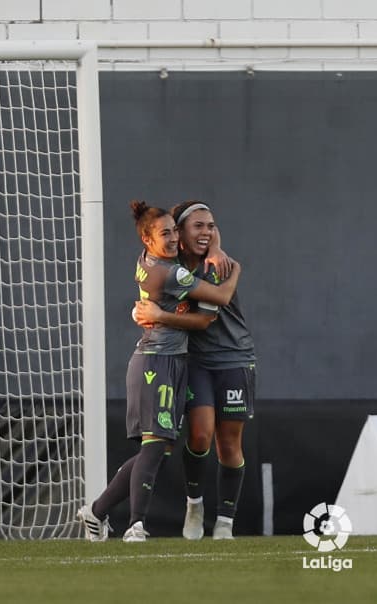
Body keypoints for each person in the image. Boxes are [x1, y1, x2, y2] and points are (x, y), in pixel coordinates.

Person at [77, 200, 241, 543]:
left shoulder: (149, 260)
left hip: (169, 361)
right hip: (157, 363)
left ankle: (97, 511)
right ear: (147, 240)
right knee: (154, 447)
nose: (171, 239)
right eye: (164, 234)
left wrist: (217, 245)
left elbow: (205, 230)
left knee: (157, 448)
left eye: (172, 232)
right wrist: (235, 268)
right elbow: (221, 298)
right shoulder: (171, 272)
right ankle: (136, 524)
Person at [132, 201, 256, 540]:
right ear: (179, 232)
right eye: (197, 226)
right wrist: (141, 309)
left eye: (211, 227)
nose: (206, 233)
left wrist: (158, 316)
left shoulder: (218, 264)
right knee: (200, 435)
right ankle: (194, 504)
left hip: (233, 358)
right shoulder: (169, 262)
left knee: (228, 444)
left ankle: (226, 523)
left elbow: (205, 318)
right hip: (196, 360)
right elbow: (151, 275)